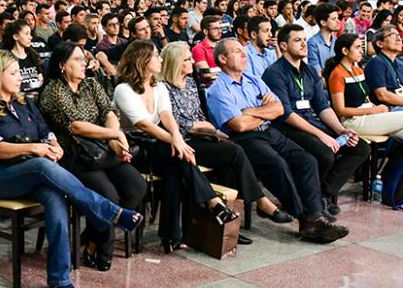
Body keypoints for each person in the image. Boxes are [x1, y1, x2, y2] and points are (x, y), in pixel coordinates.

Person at [0, 50, 143, 288]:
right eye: (14, 73)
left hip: (29, 171)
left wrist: (54, 144)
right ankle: (111, 212)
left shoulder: (24, 103)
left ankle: (59, 278)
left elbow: (45, 131)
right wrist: (34, 148)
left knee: (55, 198)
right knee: (42, 165)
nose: (20, 77)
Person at [207, 38, 349, 243]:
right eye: (237, 51)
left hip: (269, 131)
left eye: (243, 50)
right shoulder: (218, 89)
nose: (243, 54)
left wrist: (251, 112)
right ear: (222, 58)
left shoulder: (253, 79)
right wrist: (264, 112)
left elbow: (280, 108)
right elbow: (238, 125)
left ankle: (314, 216)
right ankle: (308, 219)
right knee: (277, 163)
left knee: (307, 160)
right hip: (243, 139)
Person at [114, 40, 239, 253]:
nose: (160, 59)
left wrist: (178, 139)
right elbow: (144, 125)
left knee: (175, 166)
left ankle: (171, 236)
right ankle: (212, 202)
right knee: (177, 155)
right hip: (133, 148)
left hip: (158, 146)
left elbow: (167, 115)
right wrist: (176, 141)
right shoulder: (123, 89)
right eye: (156, 56)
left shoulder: (158, 85)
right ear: (143, 60)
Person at [161, 41, 291, 232]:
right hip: (180, 140)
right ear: (175, 63)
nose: (193, 62)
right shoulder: (164, 88)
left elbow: (199, 116)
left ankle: (228, 228)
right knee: (235, 151)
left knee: (231, 160)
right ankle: (259, 202)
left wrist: (212, 130)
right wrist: (208, 128)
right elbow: (177, 122)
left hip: (201, 135)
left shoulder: (189, 83)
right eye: (187, 59)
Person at [39, 42, 147, 270]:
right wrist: (115, 134)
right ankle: (100, 250)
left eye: (83, 58)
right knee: (109, 195)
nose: (84, 63)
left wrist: (112, 141)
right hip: (73, 156)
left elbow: (109, 111)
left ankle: (91, 236)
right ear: (62, 66)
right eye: (77, 60)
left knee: (136, 186)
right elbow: (76, 127)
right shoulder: (53, 91)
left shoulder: (90, 83)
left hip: (102, 151)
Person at [263, 25, 370, 218]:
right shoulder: (274, 72)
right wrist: (322, 135)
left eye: (305, 39)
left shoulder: (310, 71)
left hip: (312, 122)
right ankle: (312, 199)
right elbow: (285, 113)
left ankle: (322, 194)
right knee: (325, 153)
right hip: (287, 127)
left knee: (361, 148)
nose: (304, 43)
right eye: (297, 40)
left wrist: (341, 130)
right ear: (283, 46)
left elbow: (322, 106)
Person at [325, 33, 403, 140]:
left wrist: (375, 108)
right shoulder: (337, 74)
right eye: (357, 48)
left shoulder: (359, 70)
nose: (362, 51)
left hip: (369, 115)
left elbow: (365, 97)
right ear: (345, 51)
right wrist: (373, 111)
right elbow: (340, 110)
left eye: (361, 47)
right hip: (353, 121)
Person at [0, 20, 43, 95]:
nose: (30, 37)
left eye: (30, 34)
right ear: (15, 36)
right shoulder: (7, 58)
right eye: (26, 34)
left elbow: (40, 78)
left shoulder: (33, 55)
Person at [365, 25, 403, 108]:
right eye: (393, 35)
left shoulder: (400, 62)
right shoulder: (375, 62)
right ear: (379, 43)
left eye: (399, 36)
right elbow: (382, 95)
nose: (399, 39)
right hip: (387, 110)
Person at [307, 4, 339, 76]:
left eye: (338, 18)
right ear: (323, 22)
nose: (338, 21)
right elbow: (317, 73)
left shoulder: (336, 41)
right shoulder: (312, 43)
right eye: (334, 19)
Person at [192, 15, 223, 85]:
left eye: (220, 28)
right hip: (212, 88)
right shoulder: (199, 49)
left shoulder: (223, 46)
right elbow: (206, 74)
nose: (219, 31)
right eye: (215, 29)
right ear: (205, 31)